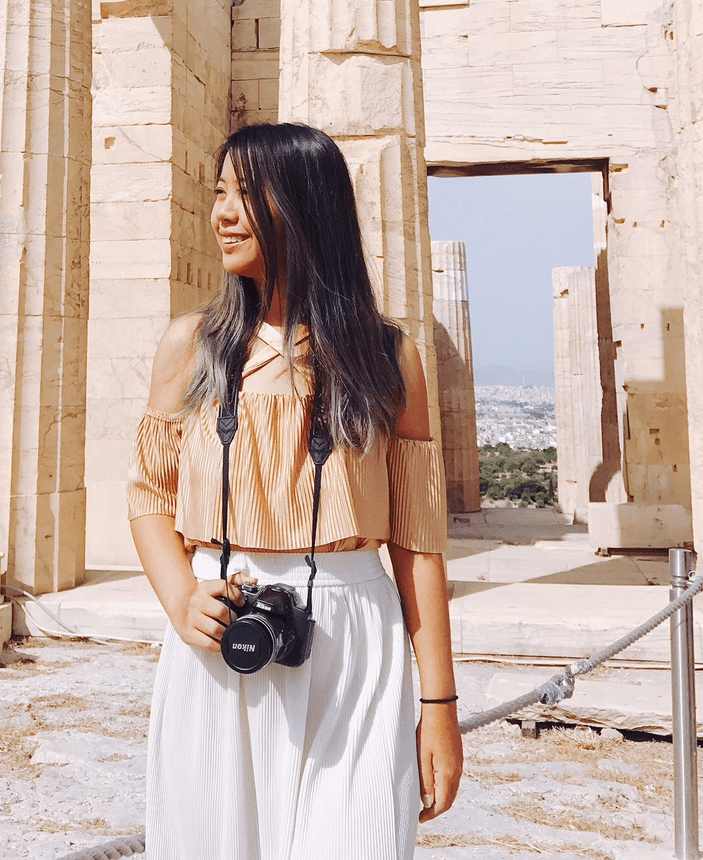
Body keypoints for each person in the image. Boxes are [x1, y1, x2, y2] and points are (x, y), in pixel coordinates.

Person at [127, 122, 463, 859]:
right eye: (219, 192)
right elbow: (150, 496)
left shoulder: (387, 355)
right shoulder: (191, 345)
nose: (222, 213)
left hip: (354, 636)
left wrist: (439, 702)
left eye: (245, 195)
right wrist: (182, 597)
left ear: (306, 205)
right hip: (221, 632)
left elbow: (418, 542)